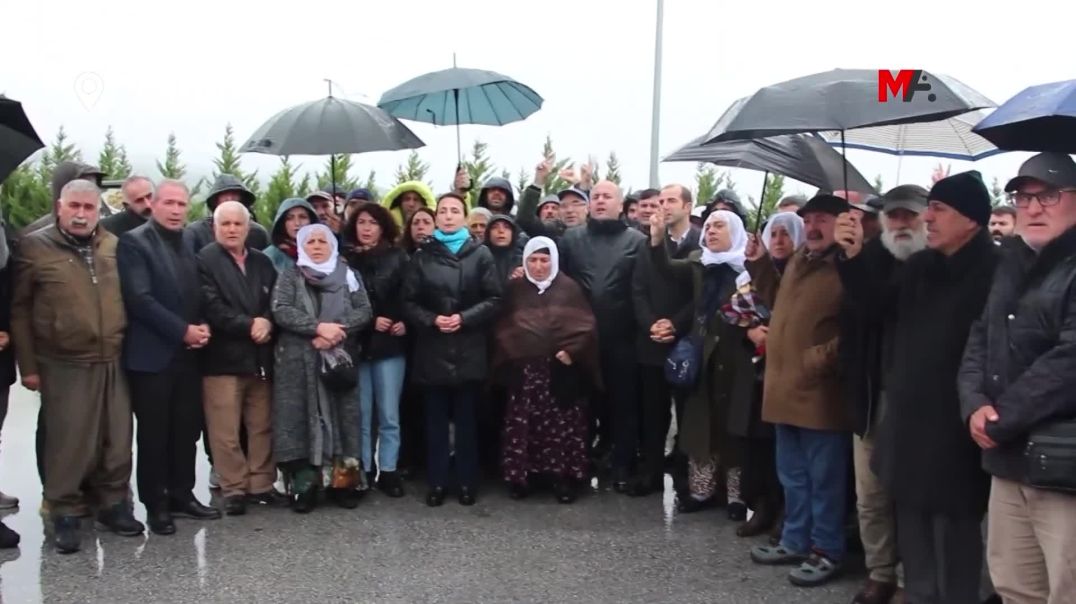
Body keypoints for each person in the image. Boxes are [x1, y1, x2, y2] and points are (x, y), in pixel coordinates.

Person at [840, 172, 998, 604]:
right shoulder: (923, 266)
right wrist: (853, 259)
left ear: (971, 218)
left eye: (938, 209)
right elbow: (877, 308)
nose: (928, 218)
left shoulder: (995, 270)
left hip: (956, 432)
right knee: (916, 542)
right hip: (909, 425)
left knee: (956, 545)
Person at [960, 152, 1076, 604]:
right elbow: (979, 337)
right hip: (1007, 460)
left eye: (1048, 195)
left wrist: (1001, 415)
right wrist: (972, 402)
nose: (1032, 207)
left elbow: (1070, 360)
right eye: (1022, 197)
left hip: (1063, 466)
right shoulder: (1011, 263)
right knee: (1014, 587)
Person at [11, 179, 143, 553]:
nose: (82, 214)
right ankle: (64, 510)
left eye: (89, 207)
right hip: (63, 361)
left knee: (117, 437)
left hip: (112, 356)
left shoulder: (112, 245)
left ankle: (113, 503)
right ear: (59, 207)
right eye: (75, 207)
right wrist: (29, 366)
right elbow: (20, 310)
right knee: (69, 441)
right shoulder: (34, 247)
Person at [748, 194, 852, 587]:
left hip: (821, 393)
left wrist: (819, 360)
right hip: (784, 388)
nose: (813, 227)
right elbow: (778, 301)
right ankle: (795, 539)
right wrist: (758, 263)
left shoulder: (848, 267)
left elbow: (856, 329)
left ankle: (827, 550)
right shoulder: (800, 261)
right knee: (792, 475)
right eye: (808, 219)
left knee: (824, 479)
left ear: (841, 223)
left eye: (823, 219)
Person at [834, 184, 928, 604]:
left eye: (910, 214)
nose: (902, 223)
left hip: (916, 402)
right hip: (871, 395)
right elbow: (856, 318)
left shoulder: (932, 262)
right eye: (894, 215)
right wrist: (852, 258)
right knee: (870, 494)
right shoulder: (870, 257)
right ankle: (880, 572)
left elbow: (886, 305)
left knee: (910, 496)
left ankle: (911, 576)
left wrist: (854, 263)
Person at [118, 179, 221, 536]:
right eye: (169, 203)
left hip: (188, 355)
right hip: (152, 357)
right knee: (154, 434)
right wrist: (183, 331)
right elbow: (140, 299)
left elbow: (196, 293)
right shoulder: (135, 242)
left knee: (185, 431)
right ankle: (156, 503)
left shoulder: (188, 242)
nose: (177, 210)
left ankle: (182, 494)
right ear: (154, 205)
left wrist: (202, 326)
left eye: (182, 204)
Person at [648, 208, 755, 515]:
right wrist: (656, 242)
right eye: (708, 226)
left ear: (735, 232)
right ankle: (701, 490)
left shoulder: (749, 268)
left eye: (719, 226)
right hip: (703, 355)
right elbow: (667, 268)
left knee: (734, 426)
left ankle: (736, 495)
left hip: (738, 356)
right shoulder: (699, 263)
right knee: (701, 424)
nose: (711, 231)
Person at [401, 193, 502, 507]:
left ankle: (468, 482)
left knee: (467, 421)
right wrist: (432, 320)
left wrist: (464, 318)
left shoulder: (481, 254)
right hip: (433, 348)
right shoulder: (422, 255)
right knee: (435, 422)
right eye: (442, 211)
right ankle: (438, 482)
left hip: (468, 347)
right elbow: (408, 301)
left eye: (454, 211)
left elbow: (495, 299)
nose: (447, 216)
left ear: (464, 217)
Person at [271, 223, 372, 513]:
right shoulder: (290, 276)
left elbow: (363, 310)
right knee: (301, 421)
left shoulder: (349, 276)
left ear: (332, 245)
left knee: (344, 421)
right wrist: (317, 328)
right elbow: (281, 309)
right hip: (299, 362)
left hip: (338, 359)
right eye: (310, 241)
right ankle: (305, 488)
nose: (316, 246)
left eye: (322, 241)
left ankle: (344, 484)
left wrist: (336, 331)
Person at [493, 236, 598, 503]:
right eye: (533, 260)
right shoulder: (515, 289)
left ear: (554, 260)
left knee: (562, 426)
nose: (539, 266)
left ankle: (563, 479)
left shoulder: (569, 288)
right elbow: (504, 326)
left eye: (544, 260)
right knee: (524, 425)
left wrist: (572, 350)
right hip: (525, 373)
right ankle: (521, 477)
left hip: (560, 372)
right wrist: (516, 348)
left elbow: (586, 325)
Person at [558, 180, 647, 490]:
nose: (600, 201)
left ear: (620, 205)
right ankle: (577, 464)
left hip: (622, 338)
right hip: (581, 340)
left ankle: (622, 464)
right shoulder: (570, 239)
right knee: (581, 406)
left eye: (607, 196)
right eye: (595, 196)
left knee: (623, 405)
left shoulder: (637, 241)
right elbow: (561, 285)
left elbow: (642, 289)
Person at [196, 201, 278, 516]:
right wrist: (249, 325)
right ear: (215, 228)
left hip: (259, 355)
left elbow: (275, 300)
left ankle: (261, 484)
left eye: (237, 224)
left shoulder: (262, 262)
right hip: (222, 359)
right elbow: (210, 305)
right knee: (225, 429)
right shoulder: (204, 260)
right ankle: (233, 488)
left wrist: (267, 321)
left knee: (261, 425)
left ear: (247, 227)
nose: (232, 229)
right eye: (225, 224)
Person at [734, 211, 804, 541]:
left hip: (790, 373)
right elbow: (734, 316)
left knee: (786, 449)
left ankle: (788, 514)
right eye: (772, 234)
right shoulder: (752, 274)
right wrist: (750, 330)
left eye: (785, 234)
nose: (778, 241)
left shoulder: (803, 272)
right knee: (757, 444)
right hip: (758, 372)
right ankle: (762, 505)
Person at [628, 183, 700, 497]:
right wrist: (651, 325)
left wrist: (675, 323)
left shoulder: (700, 244)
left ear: (688, 206)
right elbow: (638, 290)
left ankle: (684, 475)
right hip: (651, 341)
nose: (665, 206)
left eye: (672, 200)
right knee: (653, 414)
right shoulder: (648, 245)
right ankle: (652, 474)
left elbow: (700, 295)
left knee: (687, 414)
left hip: (684, 341)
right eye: (661, 201)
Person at [342, 202, 409, 497]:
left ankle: (389, 470)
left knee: (389, 414)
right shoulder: (344, 261)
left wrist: (403, 321)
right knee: (362, 414)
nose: (366, 228)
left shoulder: (399, 258)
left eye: (372, 222)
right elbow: (341, 303)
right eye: (361, 222)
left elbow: (409, 295)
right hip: (358, 344)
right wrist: (370, 321)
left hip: (390, 345)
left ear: (383, 227)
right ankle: (365, 470)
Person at [184, 174, 270, 255]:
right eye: (225, 198)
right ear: (215, 202)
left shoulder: (257, 233)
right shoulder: (196, 232)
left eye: (234, 196)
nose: (230, 200)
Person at [263, 198, 319, 273]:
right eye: (290, 218)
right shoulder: (269, 257)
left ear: (312, 221)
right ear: (282, 223)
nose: (297, 223)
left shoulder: (323, 252)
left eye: (303, 217)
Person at [485, 214, 528, 284]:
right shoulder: (480, 259)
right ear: (488, 233)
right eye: (495, 227)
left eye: (507, 227)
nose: (501, 231)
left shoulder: (524, 261)